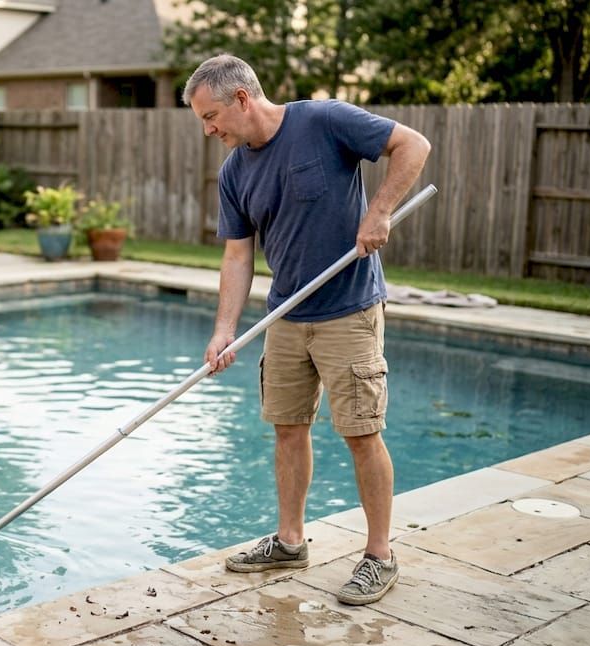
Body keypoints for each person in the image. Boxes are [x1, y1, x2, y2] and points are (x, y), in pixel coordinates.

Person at [184, 54, 431, 605]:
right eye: (202, 120)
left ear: (243, 99)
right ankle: (291, 540)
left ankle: (379, 555)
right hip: (286, 317)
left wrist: (380, 211)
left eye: (212, 115)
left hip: (348, 309)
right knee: (287, 428)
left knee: (361, 433)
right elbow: (236, 256)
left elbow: (413, 145)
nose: (209, 129)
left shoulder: (324, 121)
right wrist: (225, 329)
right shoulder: (234, 173)